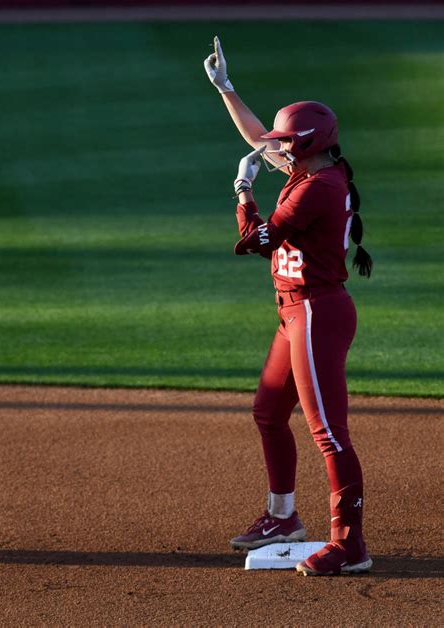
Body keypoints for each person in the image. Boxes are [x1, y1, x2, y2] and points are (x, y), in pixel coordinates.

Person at [204, 37, 373, 576]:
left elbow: (257, 241)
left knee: (327, 431)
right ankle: (283, 518)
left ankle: (350, 544)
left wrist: (242, 192)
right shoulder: (315, 169)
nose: (274, 148)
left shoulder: (315, 189)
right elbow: (262, 139)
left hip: (318, 314)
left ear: (304, 146)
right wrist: (227, 89)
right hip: (295, 313)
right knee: (270, 413)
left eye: (284, 143)